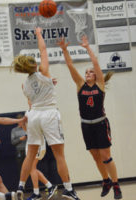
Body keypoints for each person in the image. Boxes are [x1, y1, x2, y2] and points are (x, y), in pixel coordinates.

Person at [12, 27, 80, 200]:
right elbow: (43, 49)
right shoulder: (43, 71)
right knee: (59, 154)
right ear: (33, 64)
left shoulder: (24, 85)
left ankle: (21, 186)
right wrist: (39, 34)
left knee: (30, 154)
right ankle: (69, 189)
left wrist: (50, 84)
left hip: (33, 115)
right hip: (48, 113)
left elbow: (37, 92)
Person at [57, 35, 122, 199]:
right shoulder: (80, 85)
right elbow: (70, 66)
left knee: (106, 156)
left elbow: (96, 64)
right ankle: (105, 180)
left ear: (96, 75)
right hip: (86, 125)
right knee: (95, 157)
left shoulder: (100, 84)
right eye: (86, 72)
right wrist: (65, 50)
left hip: (101, 123)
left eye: (90, 72)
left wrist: (87, 48)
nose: (88, 73)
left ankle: (116, 184)